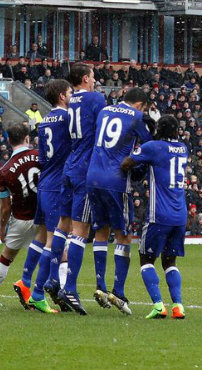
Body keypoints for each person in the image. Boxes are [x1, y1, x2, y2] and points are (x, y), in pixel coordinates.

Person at [83, 87, 152, 315]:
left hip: (93, 175)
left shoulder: (104, 111)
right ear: (140, 104)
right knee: (124, 234)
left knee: (101, 231)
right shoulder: (138, 116)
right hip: (116, 179)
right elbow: (149, 147)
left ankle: (100, 287)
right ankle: (118, 291)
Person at [0, 124, 58, 312]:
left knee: (6, 257)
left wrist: (2, 227)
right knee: (58, 253)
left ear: (9, 141)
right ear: (27, 138)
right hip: (43, 215)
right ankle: (60, 292)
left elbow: (5, 206)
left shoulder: (4, 171)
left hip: (20, 218)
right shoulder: (40, 156)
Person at [121, 115, 188, 320]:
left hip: (159, 214)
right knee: (170, 261)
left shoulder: (153, 147)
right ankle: (178, 305)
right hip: (180, 215)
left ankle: (158, 304)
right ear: (177, 131)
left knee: (146, 259)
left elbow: (126, 163)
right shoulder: (184, 148)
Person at [58, 63, 108, 315]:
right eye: (94, 77)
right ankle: (70, 289)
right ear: (86, 78)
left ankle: (52, 282)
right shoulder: (96, 98)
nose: (95, 80)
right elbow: (106, 129)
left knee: (62, 228)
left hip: (70, 166)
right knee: (81, 231)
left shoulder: (69, 101)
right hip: (86, 170)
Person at [28, 79, 73, 312]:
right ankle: (39, 292)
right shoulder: (67, 118)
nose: (73, 96)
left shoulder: (44, 121)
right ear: (62, 97)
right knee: (55, 240)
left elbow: (43, 158)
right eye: (70, 93)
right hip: (57, 185)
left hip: (46, 181)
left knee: (49, 237)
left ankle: (46, 286)